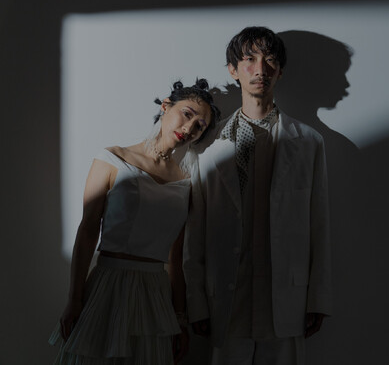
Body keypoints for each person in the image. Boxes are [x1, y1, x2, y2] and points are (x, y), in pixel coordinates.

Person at [184, 27, 333, 365]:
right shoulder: (206, 146)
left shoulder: (309, 142)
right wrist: (196, 301)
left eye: (270, 60)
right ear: (233, 70)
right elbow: (196, 230)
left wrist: (318, 298)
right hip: (226, 298)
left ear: (280, 71)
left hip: (286, 299)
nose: (260, 69)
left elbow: (319, 224)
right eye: (249, 60)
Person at [50, 79, 219, 365]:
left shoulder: (186, 183)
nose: (190, 128)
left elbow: (176, 257)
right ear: (166, 106)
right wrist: (74, 299)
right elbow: (87, 231)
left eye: (200, 126)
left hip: (155, 294)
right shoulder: (112, 159)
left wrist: (179, 317)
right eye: (187, 114)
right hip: (108, 285)